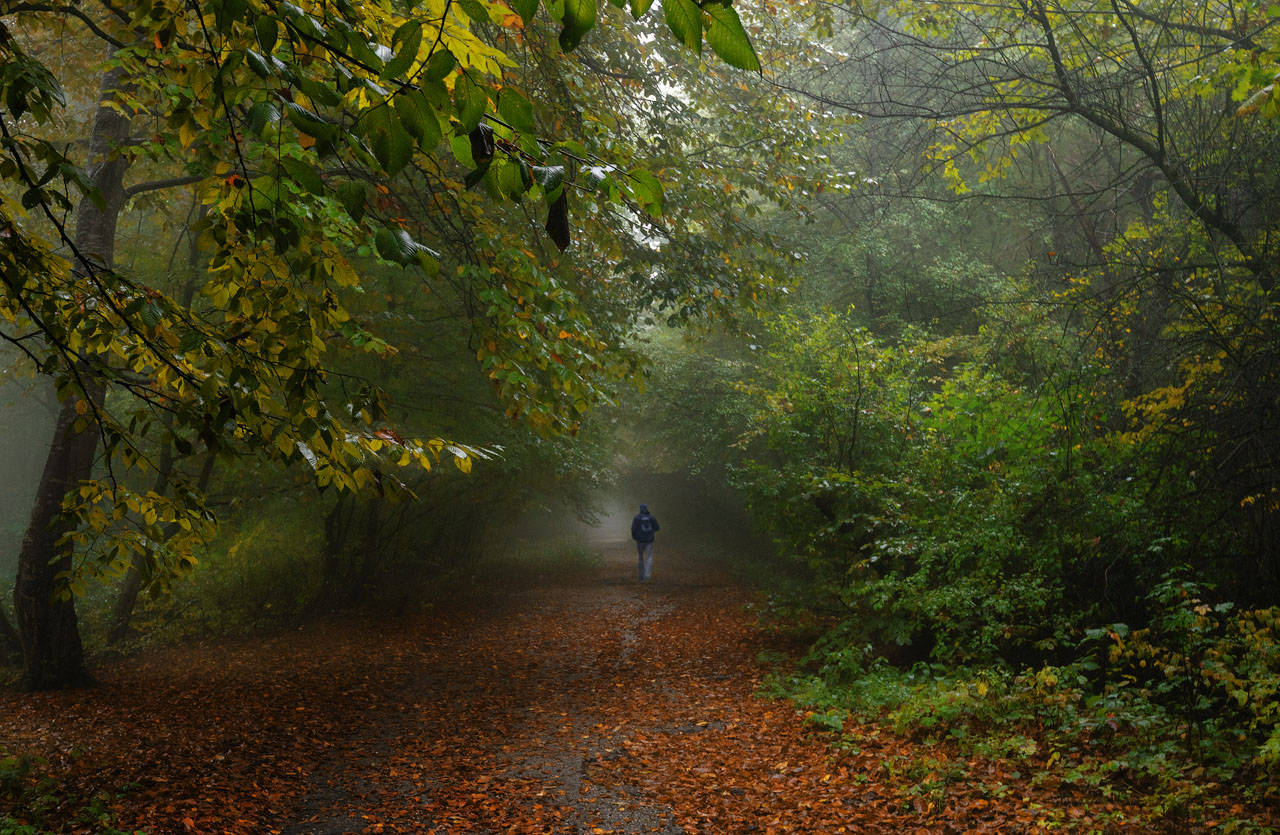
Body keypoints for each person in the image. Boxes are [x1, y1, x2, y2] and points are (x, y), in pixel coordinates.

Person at [630, 503, 660, 582]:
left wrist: (635, 537)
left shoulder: (637, 517)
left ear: (640, 509)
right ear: (647, 509)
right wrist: (651, 531)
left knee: (640, 558)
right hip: (650, 541)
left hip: (640, 541)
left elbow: (633, 529)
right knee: (649, 557)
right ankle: (647, 576)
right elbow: (657, 528)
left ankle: (641, 576)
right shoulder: (651, 517)